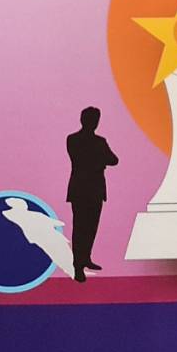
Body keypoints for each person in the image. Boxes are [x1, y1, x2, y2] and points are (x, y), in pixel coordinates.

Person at [66, 106, 120, 282]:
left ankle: (84, 259)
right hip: (90, 188)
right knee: (83, 227)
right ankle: (78, 265)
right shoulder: (96, 142)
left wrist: (97, 160)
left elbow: (114, 160)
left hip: (84, 188)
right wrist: (99, 160)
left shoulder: (74, 139)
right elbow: (111, 159)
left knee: (87, 227)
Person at [1, 197, 77, 279]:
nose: (25, 206)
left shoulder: (30, 214)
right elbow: (49, 221)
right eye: (22, 204)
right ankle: (72, 271)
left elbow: (52, 222)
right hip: (44, 236)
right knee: (58, 253)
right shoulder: (15, 214)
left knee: (64, 252)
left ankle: (73, 270)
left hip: (50, 235)